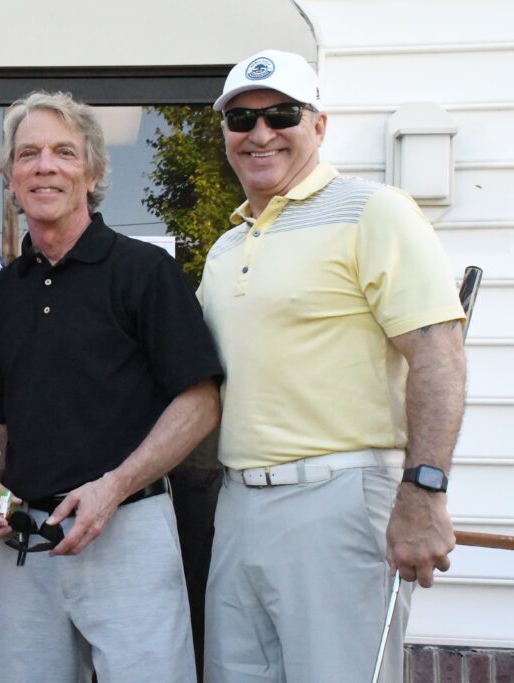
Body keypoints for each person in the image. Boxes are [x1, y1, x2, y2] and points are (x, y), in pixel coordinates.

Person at [198, 49, 467, 682]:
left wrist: (424, 493)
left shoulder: (375, 209)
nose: (260, 134)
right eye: (241, 121)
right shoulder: (225, 245)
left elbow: (438, 355)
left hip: (340, 500)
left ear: (318, 125)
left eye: (281, 115)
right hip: (238, 504)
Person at [0, 90, 224, 683]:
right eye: (27, 154)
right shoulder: (4, 291)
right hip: (23, 545)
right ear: (9, 176)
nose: (44, 166)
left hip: (128, 532)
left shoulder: (145, 271)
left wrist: (112, 487)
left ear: (94, 170)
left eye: (63, 152)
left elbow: (201, 401)